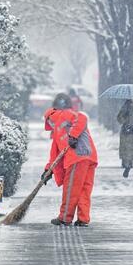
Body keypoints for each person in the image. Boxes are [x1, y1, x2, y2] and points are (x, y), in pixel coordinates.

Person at [42, 93, 98, 226]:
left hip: (77, 158)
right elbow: (54, 155)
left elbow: (82, 118)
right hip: (89, 157)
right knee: (84, 190)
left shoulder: (61, 115)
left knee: (71, 190)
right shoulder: (59, 129)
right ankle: (83, 219)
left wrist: (73, 136)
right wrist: (48, 170)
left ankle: (65, 218)